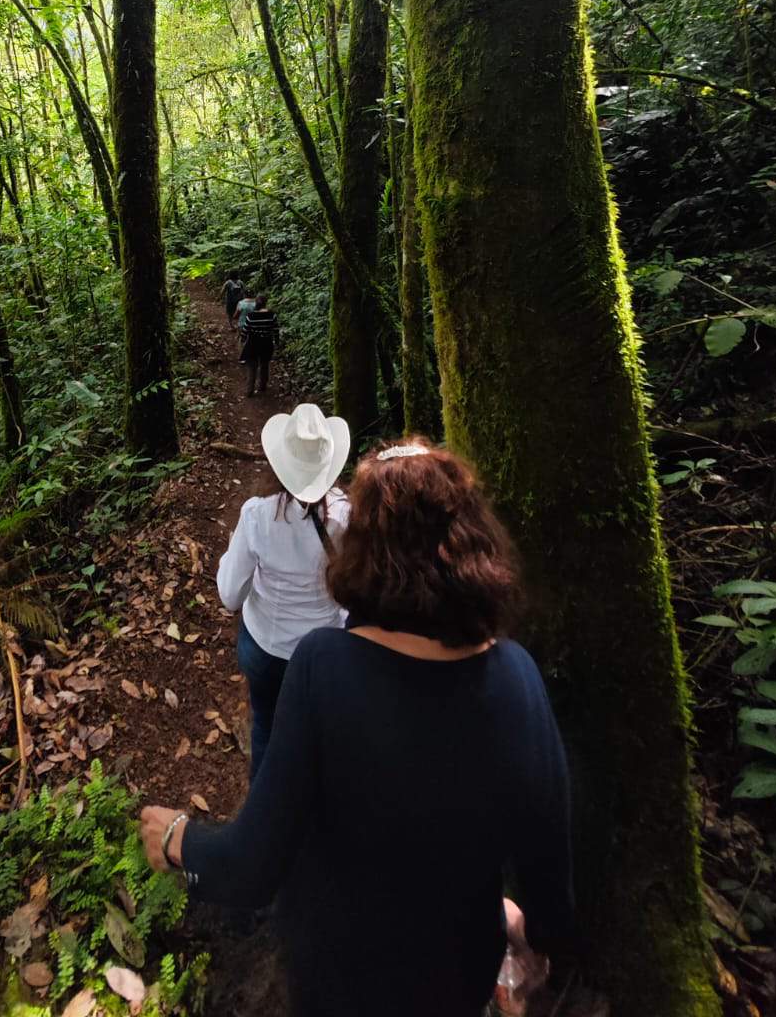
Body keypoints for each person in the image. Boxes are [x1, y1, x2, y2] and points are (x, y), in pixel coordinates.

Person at [139, 438, 573, 1017]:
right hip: (457, 976)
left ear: (363, 548)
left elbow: (252, 867)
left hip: (338, 975)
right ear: (475, 541)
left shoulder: (325, 667)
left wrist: (177, 839)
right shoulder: (516, 677)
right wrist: (522, 927)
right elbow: (550, 883)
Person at [215, 403, 350, 778]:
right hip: (325, 650)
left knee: (266, 727)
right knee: (317, 735)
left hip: (266, 648)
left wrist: (229, 557)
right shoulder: (346, 515)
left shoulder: (257, 515)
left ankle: (264, 803)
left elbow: (230, 596)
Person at [242, 292, 278, 395]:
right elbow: (276, 330)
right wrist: (277, 342)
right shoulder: (272, 315)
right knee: (264, 364)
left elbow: (245, 330)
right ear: (266, 302)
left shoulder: (251, 315)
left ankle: (249, 389)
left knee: (251, 366)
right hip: (267, 343)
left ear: (256, 302)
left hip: (253, 343)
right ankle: (262, 385)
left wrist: (243, 340)